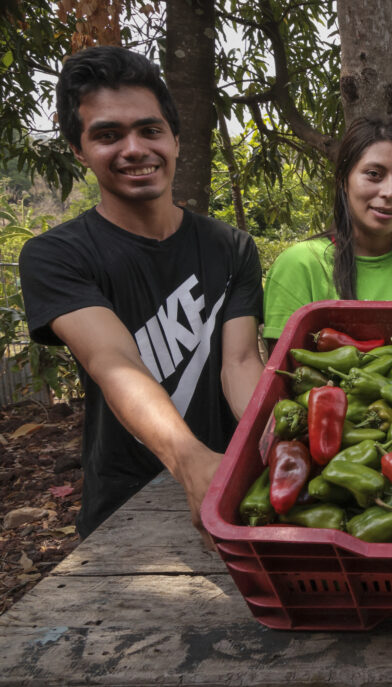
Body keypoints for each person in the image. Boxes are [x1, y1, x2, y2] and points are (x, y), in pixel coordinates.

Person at [19, 46, 265, 544]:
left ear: (175, 139)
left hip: (228, 490)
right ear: (78, 150)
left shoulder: (232, 247)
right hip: (122, 505)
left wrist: (272, 434)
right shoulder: (55, 255)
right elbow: (113, 360)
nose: (134, 148)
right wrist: (192, 461)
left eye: (150, 130)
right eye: (108, 135)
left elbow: (239, 364)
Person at [262, 117, 392, 347]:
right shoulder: (300, 265)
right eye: (374, 174)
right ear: (343, 180)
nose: (390, 192)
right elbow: (282, 376)